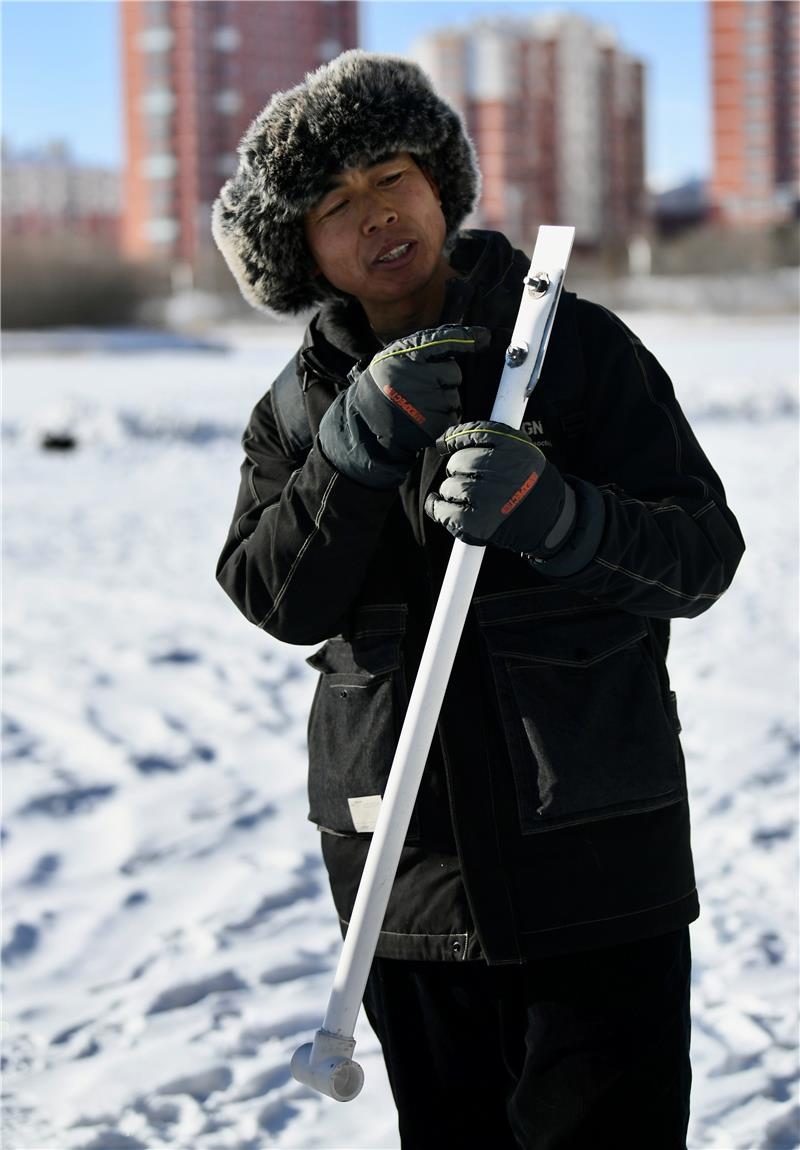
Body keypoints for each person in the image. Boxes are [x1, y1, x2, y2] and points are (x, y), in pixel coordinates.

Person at [212, 50, 744, 1150]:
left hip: (597, 859)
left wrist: (558, 515)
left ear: (438, 184)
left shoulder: (574, 348)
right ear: (302, 250)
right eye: (334, 205)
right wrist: (349, 455)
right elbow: (275, 596)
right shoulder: (296, 409)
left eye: (390, 178)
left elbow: (699, 555)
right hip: (403, 879)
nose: (375, 214)